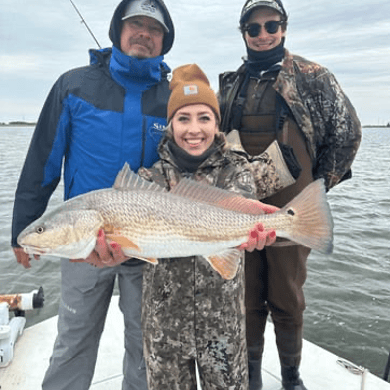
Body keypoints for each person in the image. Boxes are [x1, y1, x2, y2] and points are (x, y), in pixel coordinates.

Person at [11, 1, 174, 389]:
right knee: (74, 339)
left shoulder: (173, 98)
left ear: (165, 40)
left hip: (147, 243)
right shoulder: (74, 85)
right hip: (81, 242)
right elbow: (42, 162)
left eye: (154, 29)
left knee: (145, 345)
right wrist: (22, 230)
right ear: (117, 28)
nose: (143, 34)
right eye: (135, 24)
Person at [218, 1, 362, 389]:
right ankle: (249, 376)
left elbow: (348, 134)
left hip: (293, 207)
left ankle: (290, 376)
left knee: (287, 297)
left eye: (271, 25)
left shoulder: (314, 77)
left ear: (283, 28)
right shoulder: (230, 84)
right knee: (245, 298)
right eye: (253, 28)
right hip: (241, 210)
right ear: (243, 33)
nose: (263, 34)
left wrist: (317, 188)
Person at [135, 63, 301, 390]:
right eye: (183, 118)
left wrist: (259, 231)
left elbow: (239, 211)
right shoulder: (148, 180)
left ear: (216, 122)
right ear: (169, 125)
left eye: (204, 118)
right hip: (164, 330)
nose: (193, 129)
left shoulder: (236, 171)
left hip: (222, 327)